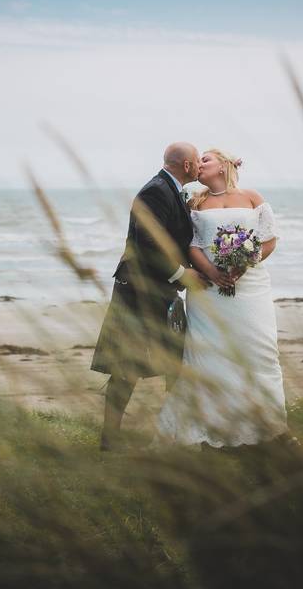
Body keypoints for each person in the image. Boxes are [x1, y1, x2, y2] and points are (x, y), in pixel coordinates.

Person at [154, 148, 290, 448]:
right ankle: (210, 426)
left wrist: (243, 264)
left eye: (206, 160)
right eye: (198, 160)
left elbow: (269, 240)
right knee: (210, 354)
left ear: (224, 165)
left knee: (260, 352)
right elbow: (191, 246)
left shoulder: (253, 197)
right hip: (209, 290)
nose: (199, 165)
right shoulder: (195, 202)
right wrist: (214, 273)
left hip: (250, 288)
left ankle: (271, 428)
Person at [90, 142, 215, 451]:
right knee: (126, 367)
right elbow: (148, 243)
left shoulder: (172, 190)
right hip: (140, 291)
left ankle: (176, 432)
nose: (200, 165)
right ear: (186, 166)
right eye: (198, 161)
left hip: (161, 291)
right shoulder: (156, 191)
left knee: (175, 361)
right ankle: (110, 441)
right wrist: (183, 275)